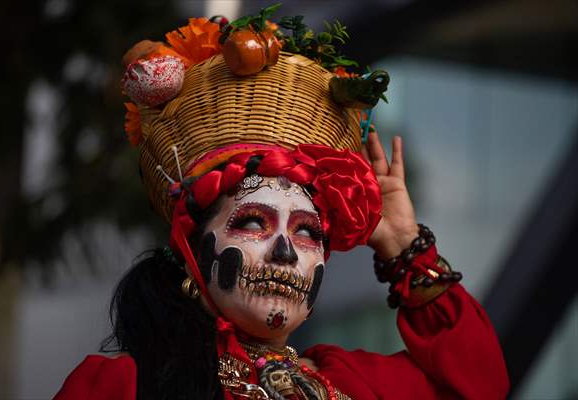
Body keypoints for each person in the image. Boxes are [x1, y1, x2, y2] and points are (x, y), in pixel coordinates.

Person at [54, 8, 509, 400]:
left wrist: (405, 247)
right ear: (193, 250)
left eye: (308, 232)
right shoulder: (126, 385)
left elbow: (480, 386)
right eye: (253, 222)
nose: (285, 252)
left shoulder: (354, 382)